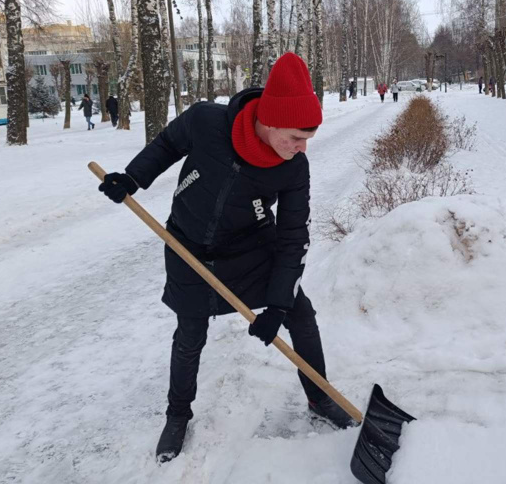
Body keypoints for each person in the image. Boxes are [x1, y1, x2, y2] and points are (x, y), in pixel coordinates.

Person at [98, 52, 354, 464]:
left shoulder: (294, 168)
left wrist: (277, 303)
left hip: (252, 248)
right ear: (268, 121)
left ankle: (320, 398)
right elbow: (167, 144)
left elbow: (292, 237)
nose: (302, 148)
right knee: (190, 335)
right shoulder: (205, 122)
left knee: (300, 315)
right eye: (295, 137)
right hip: (188, 247)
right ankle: (178, 415)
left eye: (308, 139)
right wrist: (132, 177)